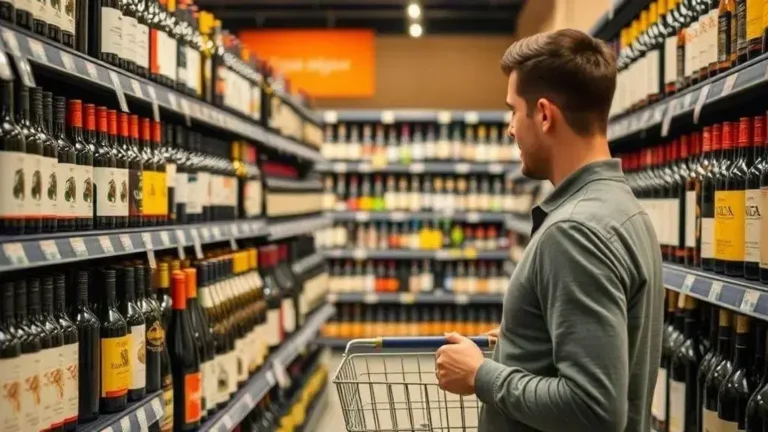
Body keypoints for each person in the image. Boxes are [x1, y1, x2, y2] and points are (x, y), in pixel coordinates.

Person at [434, 28, 664, 432]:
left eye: (512, 111)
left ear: (543, 114)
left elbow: (594, 408)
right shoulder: (623, 208)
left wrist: (481, 376)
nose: (509, 128)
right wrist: (528, 336)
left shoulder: (574, 232)